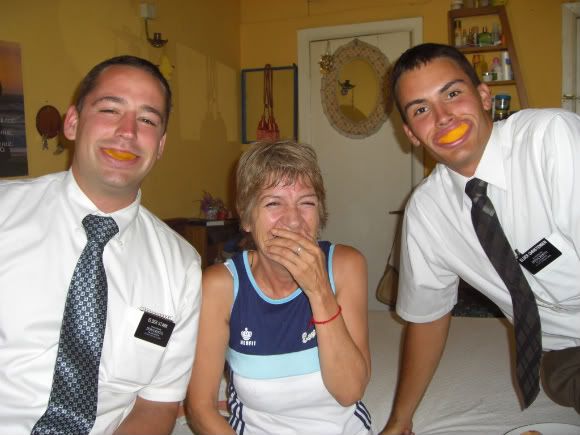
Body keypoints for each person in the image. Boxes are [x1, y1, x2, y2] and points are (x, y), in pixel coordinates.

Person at [380, 42, 580, 435]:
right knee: (558, 379)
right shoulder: (427, 212)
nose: (443, 117)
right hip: (561, 354)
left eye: (452, 93)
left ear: (484, 96)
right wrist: (400, 420)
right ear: (410, 134)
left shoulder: (552, 140)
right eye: (420, 110)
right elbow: (428, 318)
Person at [0, 55, 201, 434]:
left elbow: (156, 406)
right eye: (110, 110)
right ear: (72, 123)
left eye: (147, 120)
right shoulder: (5, 214)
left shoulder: (181, 266)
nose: (128, 131)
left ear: (160, 145)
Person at [185, 140, 372, 434]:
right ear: (247, 217)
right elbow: (200, 408)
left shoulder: (345, 266)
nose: (294, 221)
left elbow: (349, 392)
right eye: (273, 203)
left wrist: (319, 291)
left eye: (306, 202)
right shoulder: (220, 286)